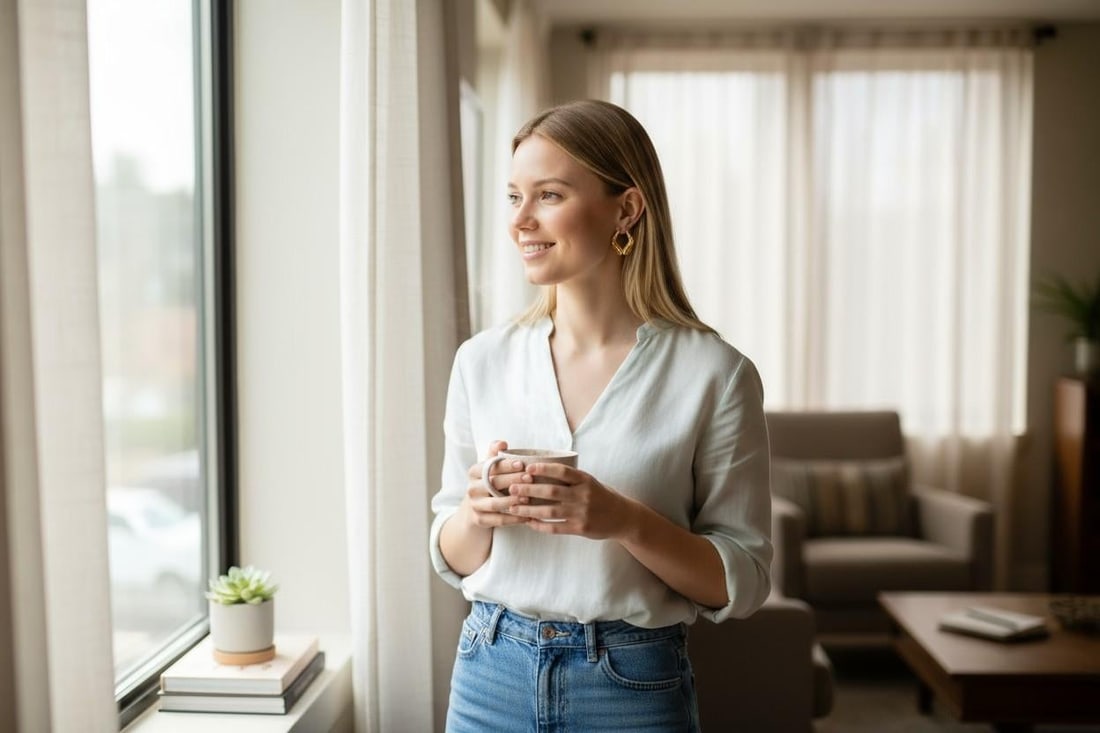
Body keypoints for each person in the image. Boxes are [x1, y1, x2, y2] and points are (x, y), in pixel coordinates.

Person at [429, 99, 771, 732]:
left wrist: (621, 520)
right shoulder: (481, 361)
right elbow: (452, 553)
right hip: (489, 673)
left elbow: (740, 581)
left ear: (627, 209)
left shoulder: (716, 375)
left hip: (631, 687)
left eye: (549, 195)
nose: (521, 221)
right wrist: (476, 512)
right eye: (513, 197)